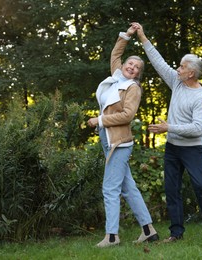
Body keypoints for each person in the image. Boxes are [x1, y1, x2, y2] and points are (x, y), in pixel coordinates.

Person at [132, 22, 202, 243]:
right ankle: (176, 234)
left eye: (181, 67)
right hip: (173, 148)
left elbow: (197, 129)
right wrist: (142, 36)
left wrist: (168, 127)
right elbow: (158, 61)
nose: (177, 69)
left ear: (191, 73)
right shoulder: (177, 83)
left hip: (192, 149)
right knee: (172, 190)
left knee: (201, 187)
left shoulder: (201, 97)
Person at [87, 25, 159, 248]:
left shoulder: (132, 88)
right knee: (128, 187)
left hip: (119, 143)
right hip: (108, 139)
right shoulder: (117, 77)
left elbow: (127, 115)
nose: (132, 67)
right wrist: (128, 35)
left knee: (110, 188)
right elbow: (115, 53)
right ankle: (149, 230)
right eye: (130, 63)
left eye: (137, 67)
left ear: (138, 73)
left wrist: (99, 120)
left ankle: (111, 236)